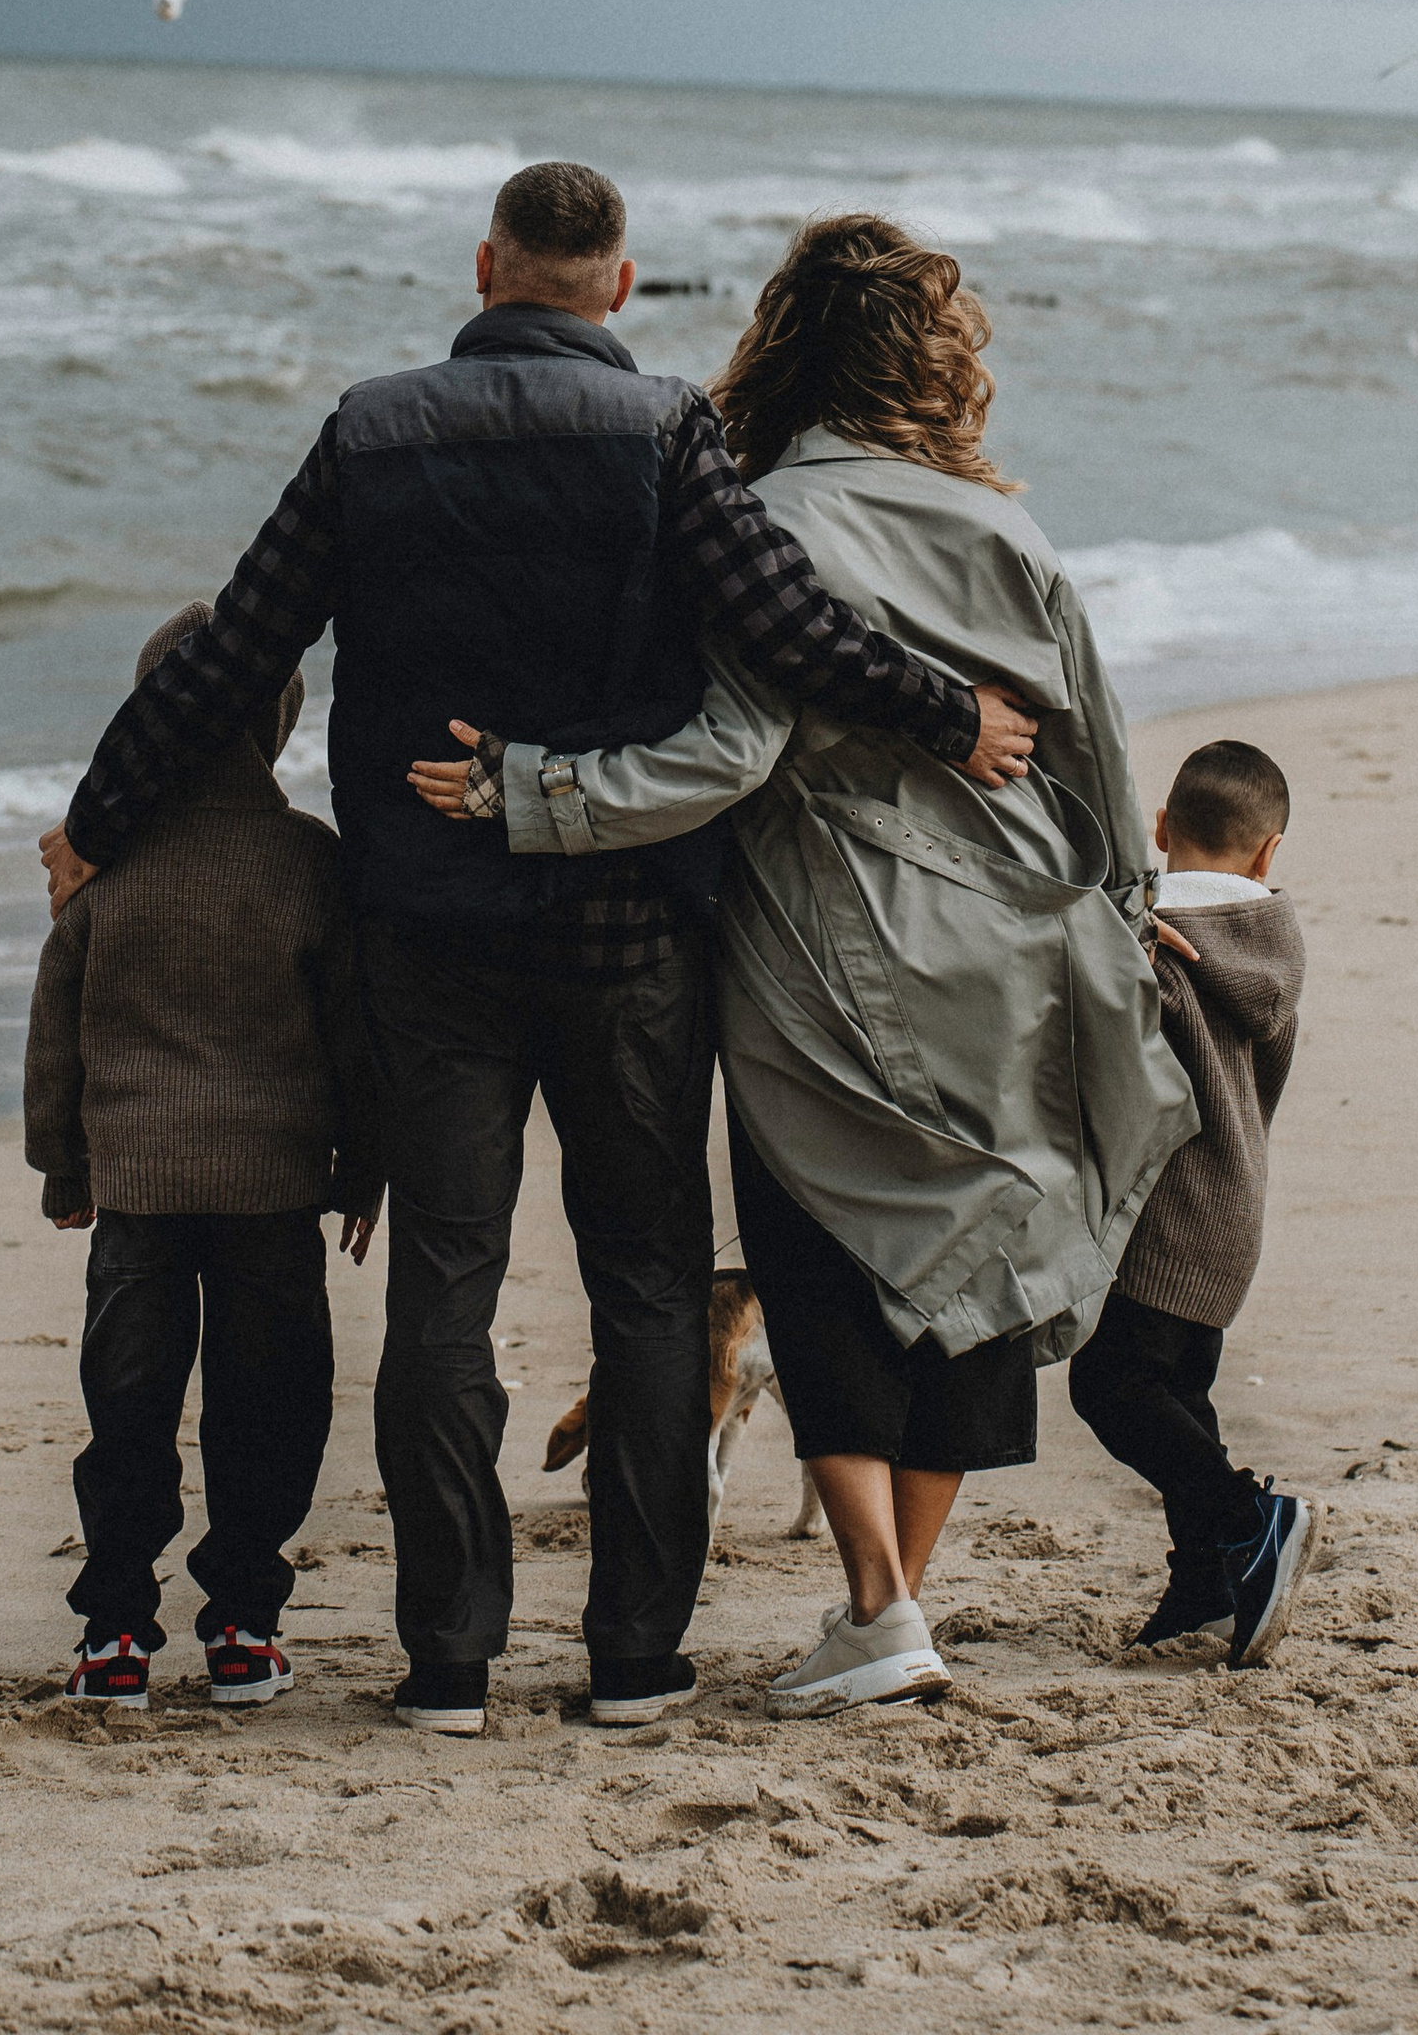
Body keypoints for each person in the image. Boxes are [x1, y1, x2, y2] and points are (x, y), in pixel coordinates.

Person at [38, 164, 1036, 1737]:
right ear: (620, 290)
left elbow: (244, 638)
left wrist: (101, 816)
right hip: (635, 937)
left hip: (426, 935)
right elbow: (787, 628)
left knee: (447, 1285)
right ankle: (632, 1659)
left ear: (488, 263)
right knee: (645, 1286)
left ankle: (448, 1663)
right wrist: (947, 710)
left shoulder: (374, 430)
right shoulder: (664, 435)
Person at [419, 212, 1195, 1715]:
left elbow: (726, 752)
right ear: (934, 365)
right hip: (1021, 931)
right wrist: (1118, 907)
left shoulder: (761, 515)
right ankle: (894, 1604)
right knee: (977, 1251)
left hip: (835, 943)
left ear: (781, 344)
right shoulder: (1011, 531)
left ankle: (878, 1602)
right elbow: (1097, 751)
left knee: (819, 1255)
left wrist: (533, 792)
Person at [25, 599, 383, 1711]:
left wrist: (63, 1165)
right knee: (269, 1400)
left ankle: (116, 1632)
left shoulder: (106, 865)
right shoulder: (307, 861)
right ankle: (241, 1622)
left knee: (127, 1407)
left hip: (135, 1186)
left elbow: (57, 1024)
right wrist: (363, 1164)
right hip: (273, 1187)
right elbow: (352, 1035)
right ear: (277, 726)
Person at [1065, 735, 1313, 1666]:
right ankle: (1205, 1582)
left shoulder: (1140, 936)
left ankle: (1249, 1518)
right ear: (1268, 853)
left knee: (1110, 1386)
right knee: (1180, 1395)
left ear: (1160, 827)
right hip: (1234, 1201)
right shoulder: (1277, 942)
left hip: (1164, 1209)